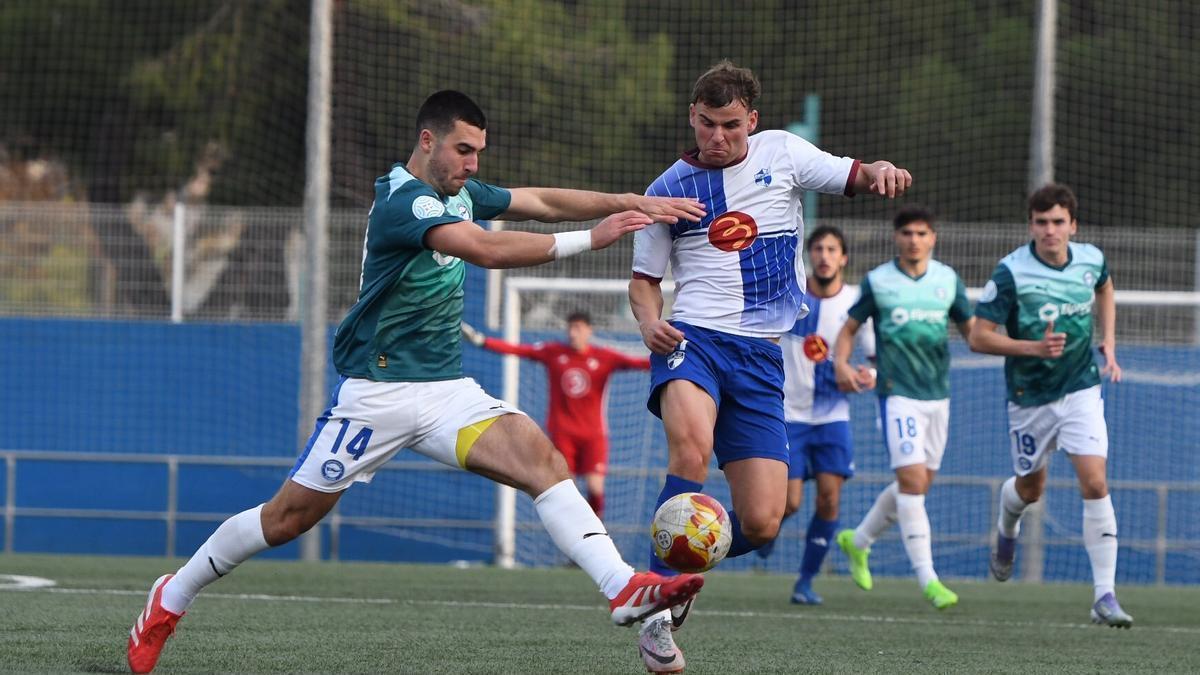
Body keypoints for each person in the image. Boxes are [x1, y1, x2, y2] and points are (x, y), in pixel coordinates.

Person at [126, 89, 710, 674]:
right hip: (375, 395)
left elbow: (539, 200)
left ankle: (621, 586)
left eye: (478, 152)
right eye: (463, 150)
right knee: (286, 519)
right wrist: (593, 238)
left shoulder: (460, 192)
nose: (473, 164)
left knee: (543, 461)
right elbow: (483, 248)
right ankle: (171, 596)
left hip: (444, 392)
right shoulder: (403, 201)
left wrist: (629, 200)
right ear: (427, 140)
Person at [628, 60, 912, 672]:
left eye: (731, 125)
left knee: (762, 523)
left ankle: (682, 560)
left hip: (760, 356)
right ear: (692, 117)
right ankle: (656, 607)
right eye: (707, 123)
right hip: (694, 340)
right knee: (690, 453)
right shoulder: (667, 191)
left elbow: (854, 173)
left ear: (752, 121)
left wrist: (881, 170)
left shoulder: (782, 153)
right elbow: (644, 281)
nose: (718, 137)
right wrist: (650, 323)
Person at [967, 183, 1131, 628]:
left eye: (1058, 222)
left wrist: (1109, 341)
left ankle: (1104, 596)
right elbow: (978, 337)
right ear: (1031, 226)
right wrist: (1033, 348)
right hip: (1030, 396)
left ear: (1073, 225)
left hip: (1081, 387)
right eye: (1041, 222)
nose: (1050, 230)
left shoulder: (1091, 259)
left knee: (1095, 482)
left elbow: (1105, 287)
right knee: (1030, 490)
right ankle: (1007, 528)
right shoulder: (1011, 272)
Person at [833, 205, 973, 611]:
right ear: (897, 237)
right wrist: (841, 363)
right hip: (897, 395)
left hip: (938, 396)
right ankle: (929, 580)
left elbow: (974, 332)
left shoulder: (948, 280)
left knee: (917, 485)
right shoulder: (879, 281)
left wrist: (1020, 343)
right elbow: (849, 329)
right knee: (912, 484)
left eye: (922, 233)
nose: (914, 240)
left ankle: (859, 541)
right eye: (908, 233)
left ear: (933, 238)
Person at [757, 225, 876, 606]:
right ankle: (767, 531)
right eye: (819, 249)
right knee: (788, 502)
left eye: (832, 249)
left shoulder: (856, 303)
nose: (824, 256)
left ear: (843, 258)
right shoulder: (790, 295)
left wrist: (866, 376)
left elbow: (874, 359)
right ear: (809, 255)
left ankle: (805, 583)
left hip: (832, 416)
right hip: (788, 414)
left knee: (829, 500)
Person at [461, 311, 650, 519]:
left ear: (589, 331)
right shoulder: (554, 352)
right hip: (563, 433)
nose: (573, 333)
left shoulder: (604, 357)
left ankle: (597, 528)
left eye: (578, 328)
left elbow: (640, 364)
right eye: (570, 328)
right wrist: (482, 341)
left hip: (594, 435)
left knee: (595, 488)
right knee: (567, 489)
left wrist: (672, 357)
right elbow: (518, 350)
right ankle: (575, 530)